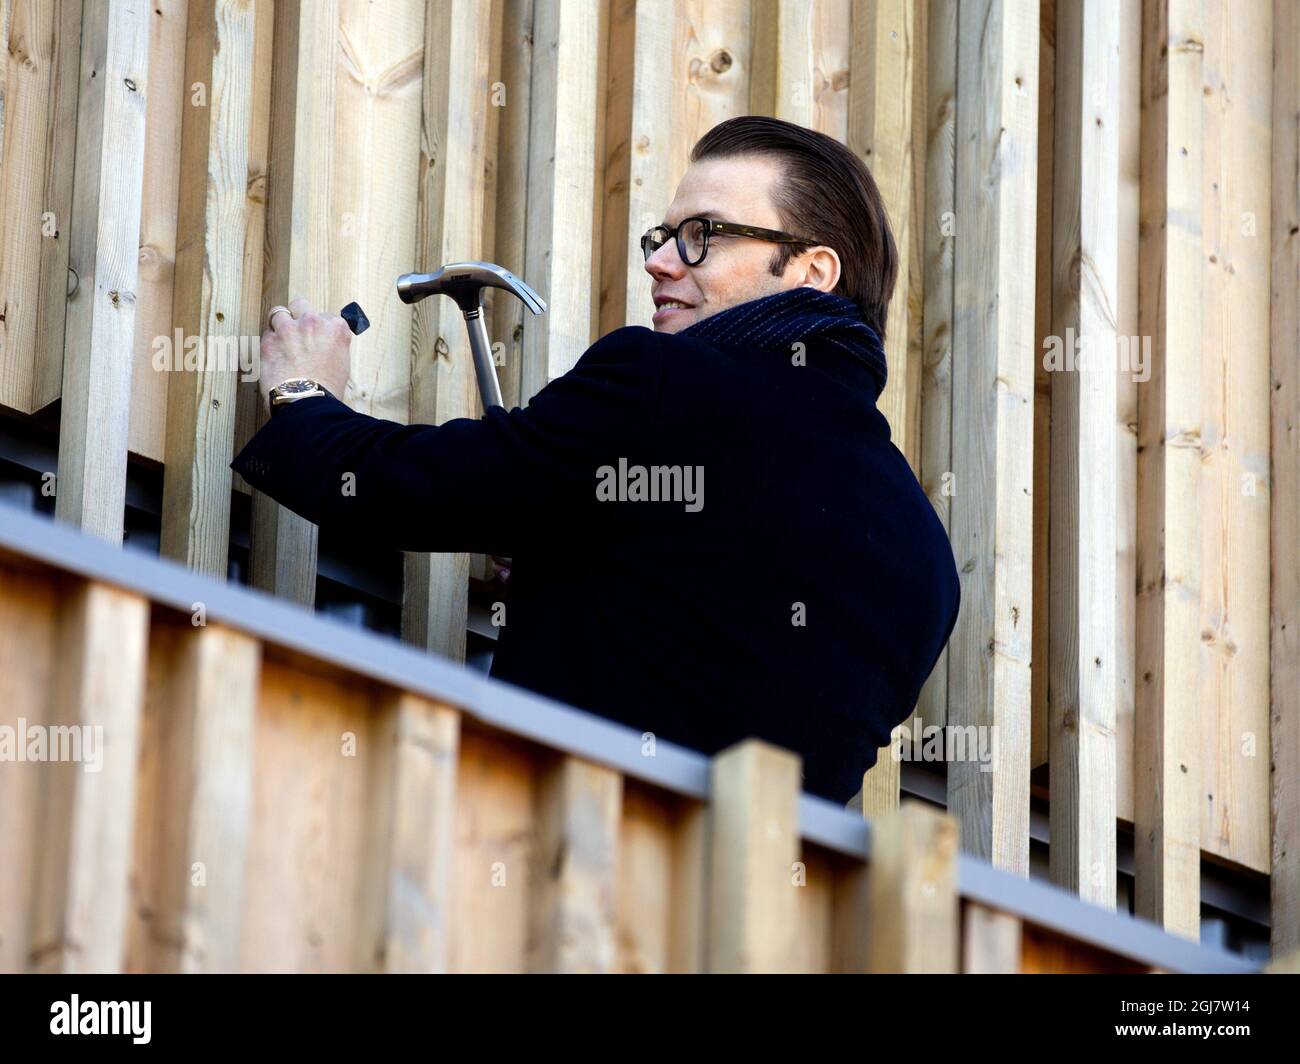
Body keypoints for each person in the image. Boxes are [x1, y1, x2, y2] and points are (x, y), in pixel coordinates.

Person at [230, 115, 960, 805]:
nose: (659, 261)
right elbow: (711, 640)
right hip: (748, 926)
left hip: (558, 880)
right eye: (663, 235)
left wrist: (304, 396)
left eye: (702, 235)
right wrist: (575, 573)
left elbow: (407, 489)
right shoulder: (925, 557)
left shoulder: (663, 385)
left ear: (811, 270)